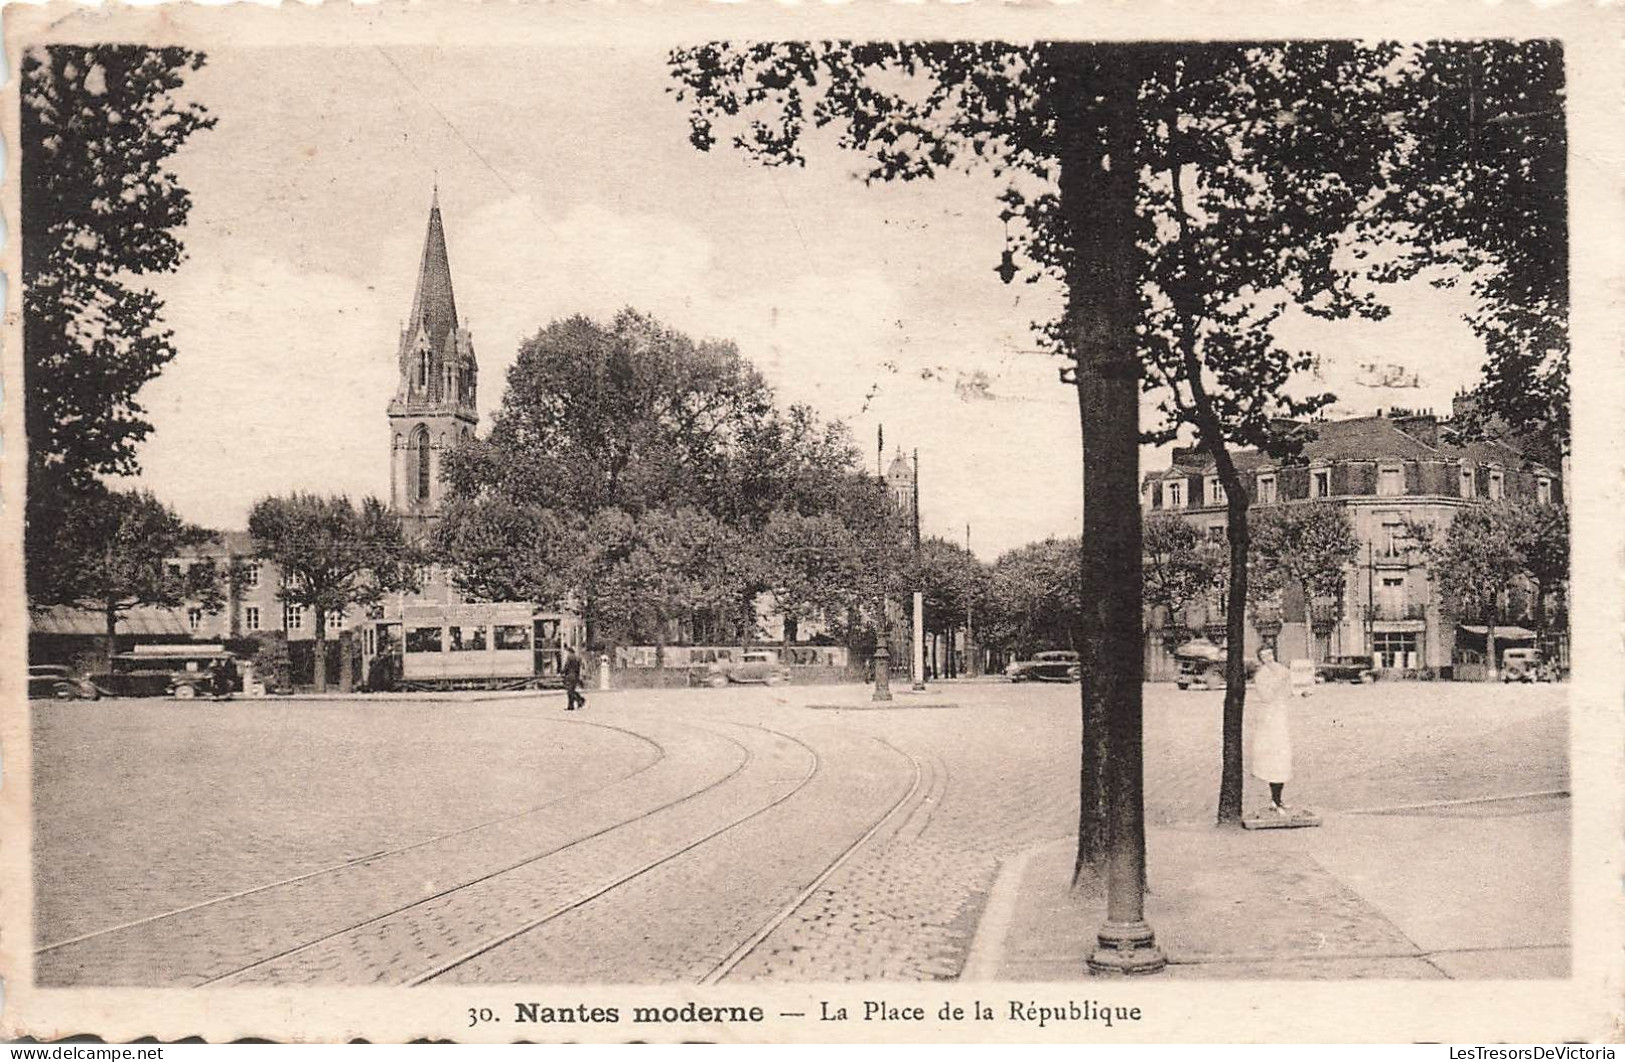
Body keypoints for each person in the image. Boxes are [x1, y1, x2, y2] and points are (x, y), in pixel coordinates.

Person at [1249, 642, 1303, 815]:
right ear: (1260, 659)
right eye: (1264, 656)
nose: (1269, 658)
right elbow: (1266, 696)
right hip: (1268, 720)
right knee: (1272, 758)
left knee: (1283, 757)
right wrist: (1279, 681)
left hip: (1280, 717)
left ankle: (1278, 798)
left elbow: (1290, 689)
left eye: (1270, 654)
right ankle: (1275, 799)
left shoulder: (1280, 669)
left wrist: (1302, 691)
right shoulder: (1261, 676)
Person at [561, 646, 585, 711]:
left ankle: (579, 700)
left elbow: (567, 666)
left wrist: (562, 672)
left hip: (570, 676)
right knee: (571, 690)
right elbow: (579, 668)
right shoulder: (577, 657)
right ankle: (571, 706)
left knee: (570, 692)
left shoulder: (570, 657)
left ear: (569, 651)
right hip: (575, 676)